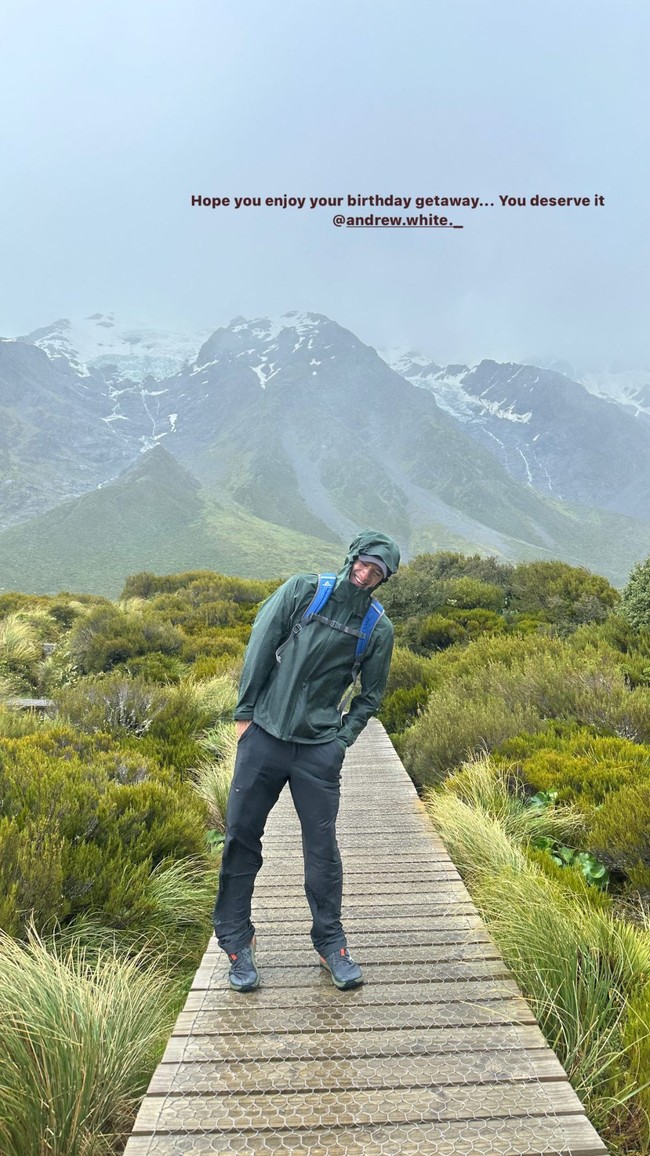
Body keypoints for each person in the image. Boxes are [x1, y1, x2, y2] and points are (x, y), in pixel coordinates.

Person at [212, 529, 400, 992]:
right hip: (265, 738)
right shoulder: (302, 590)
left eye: (378, 572)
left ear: (383, 579)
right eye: (365, 563)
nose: (367, 573)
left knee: (322, 850)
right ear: (353, 556)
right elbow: (261, 643)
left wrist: (342, 740)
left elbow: (370, 697)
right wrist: (245, 715)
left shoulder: (378, 628)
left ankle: (330, 942)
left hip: (317, 750)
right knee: (240, 837)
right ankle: (238, 942)